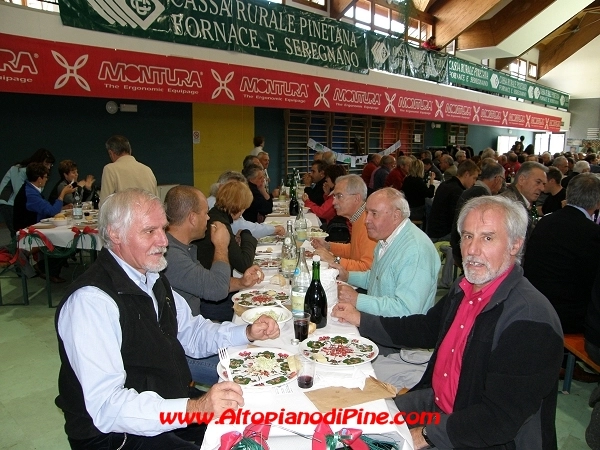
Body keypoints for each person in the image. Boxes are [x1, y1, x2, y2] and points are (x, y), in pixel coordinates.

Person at [333, 195, 563, 450]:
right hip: (438, 405)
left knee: (369, 440)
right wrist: (361, 319)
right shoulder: (465, 288)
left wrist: (424, 435)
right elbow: (426, 328)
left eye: (487, 238)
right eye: (468, 236)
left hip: (482, 436)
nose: (472, 250)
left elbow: (499, 419)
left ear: (515, 245)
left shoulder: (530, 320)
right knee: (351, 424)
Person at [55, 188, 280, 449]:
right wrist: (195, 409)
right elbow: (108, 407)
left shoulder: (151, 277)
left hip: (166, 403)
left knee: (254, 419)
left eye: (163, 228)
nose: (163, 241)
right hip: (115, 435)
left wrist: (247, 332)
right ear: (115, 234)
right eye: (149, 231)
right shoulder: (91, 302)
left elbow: (191, 332)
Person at [164, 185, 263, 384]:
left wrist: (241, 282)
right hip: (181, 350)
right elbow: (216, 289)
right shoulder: (171, 255)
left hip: (196, 332)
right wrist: (221, 245)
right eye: (205, 213)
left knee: (256, 349)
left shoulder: (180, 247)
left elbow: (208, 281)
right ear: (192, 218)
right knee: (251, 372)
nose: (209, 218)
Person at [336, 187, 439, 317]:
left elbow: (407, 310)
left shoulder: (415, 251)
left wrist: (357, 300)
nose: (366, 220)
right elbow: (377, 279)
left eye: (374, 213)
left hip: (398, 328)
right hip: (379, 320)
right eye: (367, 212)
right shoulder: (386, 238)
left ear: (396, 216)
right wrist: (347, 276)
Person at [524, 173, 600, 336]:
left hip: (533, 303)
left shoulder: (545, 222)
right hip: (568, 317)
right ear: (597, 202)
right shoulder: (592, 233)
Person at [195, 180, 258, 322]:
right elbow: (244, 263)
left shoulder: (215, 216)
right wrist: (247, 235)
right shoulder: (220, 223)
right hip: (213, 300)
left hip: (210, 290)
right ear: (239, 208)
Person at [13, 162, 76, 283]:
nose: (47, 179)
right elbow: (51, 211)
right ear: (39, 179)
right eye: (46, 177)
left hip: (34, 226)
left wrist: (61, 208)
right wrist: (62, 194)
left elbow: (45, 208)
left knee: (67, 239)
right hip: (27, 231)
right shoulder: (31, 194)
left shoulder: (30, 189)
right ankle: (46, 269)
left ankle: (48, 268)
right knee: (65, 242)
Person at [311, 175, 376, 271]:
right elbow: (354, 250)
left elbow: (367, 269)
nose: (333, 202)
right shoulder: (358, 218)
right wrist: (328, 246)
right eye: (334, 196)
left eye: (339, 196)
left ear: (356, 198)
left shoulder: (368, 223)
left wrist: (334, 260)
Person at [450, 161, 505, 266]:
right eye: (502, 180)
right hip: (463, 251)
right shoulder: (482, 196)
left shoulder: (472, 190)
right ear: (497, 179)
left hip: (458, 246)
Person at [208, 171, 284, 239]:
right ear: (221, 187)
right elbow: (243, 227)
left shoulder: (225, 205)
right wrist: (273, 229)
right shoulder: (214, 204)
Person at [0, 148, 55, 239]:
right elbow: (20, 193)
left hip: (20, 203)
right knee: (16, 232)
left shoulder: (39, 175)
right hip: (8, 203)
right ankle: (15, 247)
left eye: (50, 165)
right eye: (46, 164)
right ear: (39, 161)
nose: (49, 167)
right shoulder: (19, 170)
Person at [427, 159, 480, 242]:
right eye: (474, 178)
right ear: (466, 174)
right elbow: (456, 219)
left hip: (432, 231)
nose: (474, 182)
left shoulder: (445, 184)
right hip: (442, 235)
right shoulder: (457, 191)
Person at [99, 135, 158, 206]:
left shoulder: (110, 169)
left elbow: (104, 204)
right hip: (147, 212)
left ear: (111, 153)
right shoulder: (147, 170)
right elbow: (157, 202)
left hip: (124, 212)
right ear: (130, 150)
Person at [500, 161, 548, 241]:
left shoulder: (524, 201)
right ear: (521, 180)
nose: (542, 188)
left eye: (543, 184)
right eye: (538, 182)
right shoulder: (509, 205)